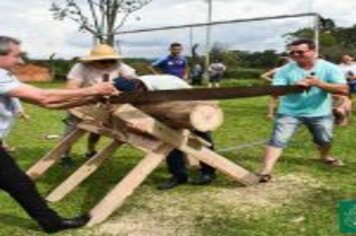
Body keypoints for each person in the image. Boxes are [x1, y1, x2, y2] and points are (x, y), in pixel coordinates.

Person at [0, 36, 116, 233]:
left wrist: (90, 97)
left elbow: (47, 103)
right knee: (19, 184)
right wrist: (93, 89)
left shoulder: (6, 76)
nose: (21, 61)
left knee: (20, 184)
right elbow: (44, 95)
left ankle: (51, 223)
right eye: (16, 56)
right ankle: (52, 223)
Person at [258, 39, 348, 183]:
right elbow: (275, 93)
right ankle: (266, 170)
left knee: (324, 139)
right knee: (278, 139)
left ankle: (324, 156)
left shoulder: (330, 68)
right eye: (292, 52)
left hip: (320, 112)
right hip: (289, 112)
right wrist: (293, 86)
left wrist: (319, 83)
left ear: (313, 52)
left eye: (300, 51)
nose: (295, 55)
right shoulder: (285, 70)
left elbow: (344, 89)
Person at [113, 75, 216, 190]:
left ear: (138, 87)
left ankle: (208, 172)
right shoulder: (136, 87)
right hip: (164, 109)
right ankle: (178, 175)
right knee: (169, 139)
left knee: (202, 135)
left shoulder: (165, 85)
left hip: (190, 106)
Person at [61, 44, 137, 167]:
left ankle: (91, 150)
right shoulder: (80, 67)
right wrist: (91, 93)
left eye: (110, 60)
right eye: (103, 61)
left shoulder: (119, 66)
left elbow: (134, 83)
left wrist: (121, 91)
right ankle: (64, 156)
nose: (107, 63)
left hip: (106, 104)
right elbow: (71, 88)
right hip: (82, 101)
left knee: (97, 130)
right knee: (71, 130)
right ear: (93, 60)